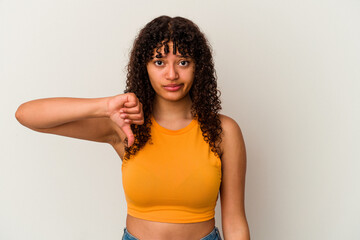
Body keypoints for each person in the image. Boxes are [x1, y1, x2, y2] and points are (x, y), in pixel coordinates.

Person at [15, 15, 250, 240]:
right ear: (144, 67)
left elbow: (234, 221)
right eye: (159, 62)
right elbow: (27, 115)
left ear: (198, 67)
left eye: (183, 62)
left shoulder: (223, 131)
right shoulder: (125, 125)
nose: (172, 74)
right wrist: (105, 106)